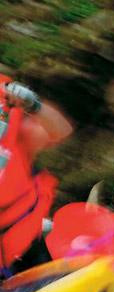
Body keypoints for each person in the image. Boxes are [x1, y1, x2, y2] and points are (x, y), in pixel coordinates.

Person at [0, 74, 74, 278]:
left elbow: (62, 130)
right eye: (34, 121)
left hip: (26, 255)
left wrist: (33, 105)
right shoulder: (12, 146)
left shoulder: (36, 181)